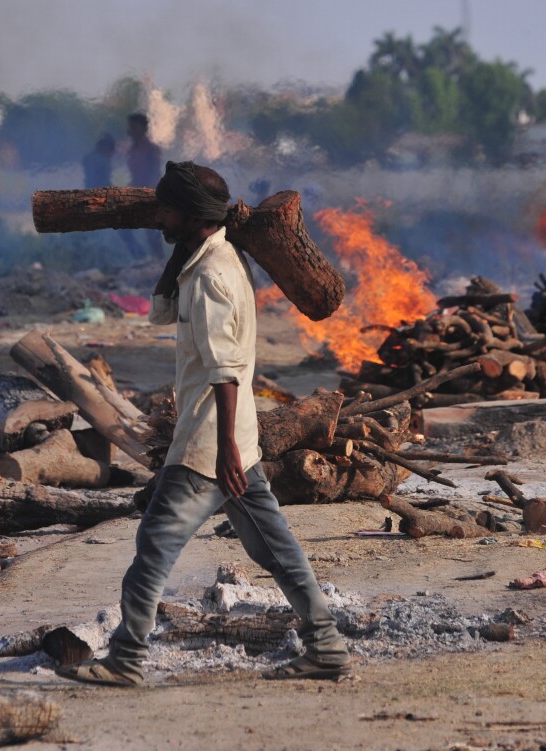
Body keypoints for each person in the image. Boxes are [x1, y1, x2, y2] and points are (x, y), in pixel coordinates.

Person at [60, 160, 352, 687]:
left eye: (166, 209)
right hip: (235, 439)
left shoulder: (213, 276)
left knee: (153, 548)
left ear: (192, 214)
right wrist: (177, 254)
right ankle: (327, 647)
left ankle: (126, 659)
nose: (158, 217)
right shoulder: (209, 261)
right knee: (276, 551)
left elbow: (224, 372)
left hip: (209, 444)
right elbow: (162, 315)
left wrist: (224, 455)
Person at [121, 112, 163, 259]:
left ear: (143, 128)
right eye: (130, 127)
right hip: (134, 192)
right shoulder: (132, 149)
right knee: (124, 229)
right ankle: (142, 258)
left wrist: (150, 194)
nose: (130, 131)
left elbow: (154, 173)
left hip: (148, 194)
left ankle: (159, 263)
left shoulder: (151, 149)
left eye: (134, 127)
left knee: (152, 232)